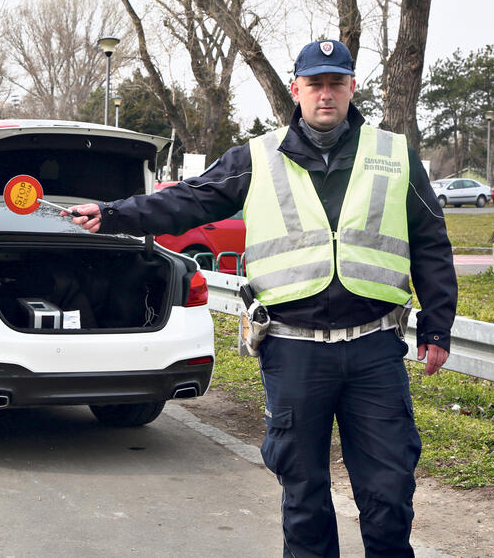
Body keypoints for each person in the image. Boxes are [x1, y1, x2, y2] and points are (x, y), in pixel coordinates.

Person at [65, 39, 456, 557]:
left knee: (388, 493)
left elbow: (430, 240)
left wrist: (436, 325)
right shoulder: (256, 157)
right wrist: (115, 214)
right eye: (314, 84)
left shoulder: (393, 153)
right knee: (304, 495)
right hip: (294, 351)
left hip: (374, 348)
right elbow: (190, 201)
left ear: (352, 88)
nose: (325, 94)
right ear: (295, 90)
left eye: (336, 83)